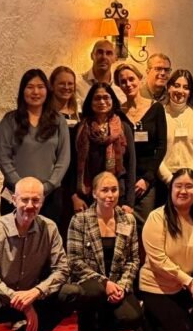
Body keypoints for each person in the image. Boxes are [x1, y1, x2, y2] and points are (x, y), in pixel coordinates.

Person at [0, 177, 82, 331]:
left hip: (32, 295)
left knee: (73, 292)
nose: (30, 205)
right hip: (0, 298)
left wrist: (37, 292)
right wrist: (23, 303)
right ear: (14, 200)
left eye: (35, 200)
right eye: (24, 199)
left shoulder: (49, 228)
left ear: (43, 201)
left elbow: (62, 269)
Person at [139, 169, 193, 331]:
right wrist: (191, 284)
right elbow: (159, 261)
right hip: (158, 286)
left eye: (189, 186)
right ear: (171, 189)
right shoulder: (156, 217)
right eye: (178, 186)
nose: (183, 191)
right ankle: (146, 316)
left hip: (188, 285)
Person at [68, 172, 144, 331]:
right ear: (95, 193)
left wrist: (122, 287)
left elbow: (133, 260)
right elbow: (74, 261)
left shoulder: (128, 220)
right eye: (104, 190)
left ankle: (101, 322)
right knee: (93, 292)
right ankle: (86, 329)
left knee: (133, 318)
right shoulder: (79, 220)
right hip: (91, 284)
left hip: (117, 285)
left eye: (114, 190)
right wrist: (105, 283)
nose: (110, 195)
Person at [0, 69, 71, 222]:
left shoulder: (58, 120)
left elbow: (63, 158)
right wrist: (22, 188)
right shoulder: (10, 120)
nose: (35, 92)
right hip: (15, 195)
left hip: (49, 196)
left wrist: (46, 187)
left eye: (40, 87)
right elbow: (3, 158)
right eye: (30, 87)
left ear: (47, 90)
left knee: (47, 236)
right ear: (22, 91)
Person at [71, 82, 137, 213]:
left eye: (106, 97)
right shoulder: (81, 129)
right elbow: (73, 166)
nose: (102, 102)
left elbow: (131, 165)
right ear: (90, 102)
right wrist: (74, 197)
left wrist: (129, 203)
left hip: (116, 196)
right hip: (86, 197)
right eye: (97, 98)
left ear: (113, 100)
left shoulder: (124, 128)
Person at [116, 63, 167, 221]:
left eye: (131, 79)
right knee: (122, 224)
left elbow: (161, 146)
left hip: (146, 180)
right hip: (124, 180)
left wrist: (147, 178)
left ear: (140, 79)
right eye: (123, 81)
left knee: (144, 224)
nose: (128, 84)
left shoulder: (156, 108)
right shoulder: (118, 113)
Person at [50, 66, 81, 240]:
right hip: (56, 180)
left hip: (76, 179)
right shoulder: (46, 114)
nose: (67, 87)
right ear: (52, 85)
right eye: (62, 83)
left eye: (70, 83)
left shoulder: (80, 113)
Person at [160, 69, 193, 185]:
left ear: (190, 92)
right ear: (168, 88)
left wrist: (190, 177)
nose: (180, 91)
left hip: (191, 179)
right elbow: (155, 152)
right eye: (176, 86)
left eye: (185, 87)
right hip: (164, 180)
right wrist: (169, 180)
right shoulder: (159, 113)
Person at [77, 39, 126, 106]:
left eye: (108, 53)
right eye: (100, 52)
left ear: (115, 58)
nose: (104, 57)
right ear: (92, 55)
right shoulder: (77, 84)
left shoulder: (122, 86)